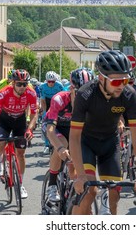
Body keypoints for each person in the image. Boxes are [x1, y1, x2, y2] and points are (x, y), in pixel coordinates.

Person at [69, 50, 136, 215]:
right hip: (86, 143)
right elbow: (75, 137)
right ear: (101, 78)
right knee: (88, 194)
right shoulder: (85, 94)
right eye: (116, 81)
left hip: (110, 143)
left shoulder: (129, 94)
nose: (121, 85)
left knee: (113, 196)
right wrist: (80, 175)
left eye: (125, 80)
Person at [43, 68, 92, 208]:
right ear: (71, 89)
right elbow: (50, 129)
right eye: (79, 93)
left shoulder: (90, 104)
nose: (83, 98)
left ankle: (70, 197)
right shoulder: (59, 99)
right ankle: (52, 185)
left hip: (73, 130)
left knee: (73, 169)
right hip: (55, 127)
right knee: (62, 145)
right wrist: (59, 148)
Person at [0, 69, 37, 199]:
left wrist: (29, 129)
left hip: (20, 120)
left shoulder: (31, 93)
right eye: (19, 84)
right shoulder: (3, 93)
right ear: (13, 83)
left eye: (25, 84)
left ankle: (20, 184)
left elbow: (34, 113)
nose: (22, 87)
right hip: (4, 119)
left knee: (20, 153)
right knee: (0, 141)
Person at [40, 71, 64, 153]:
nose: (51, 83)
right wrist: (44, 113)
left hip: (56, 101)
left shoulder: (59, 86)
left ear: (55, 81)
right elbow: (42, 101)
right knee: (46, 125)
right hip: (47, 101)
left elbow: (63, 98)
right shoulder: (42, 87)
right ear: (46, 81)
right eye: (49, 81)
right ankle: (46, 145)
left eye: (53, 81)